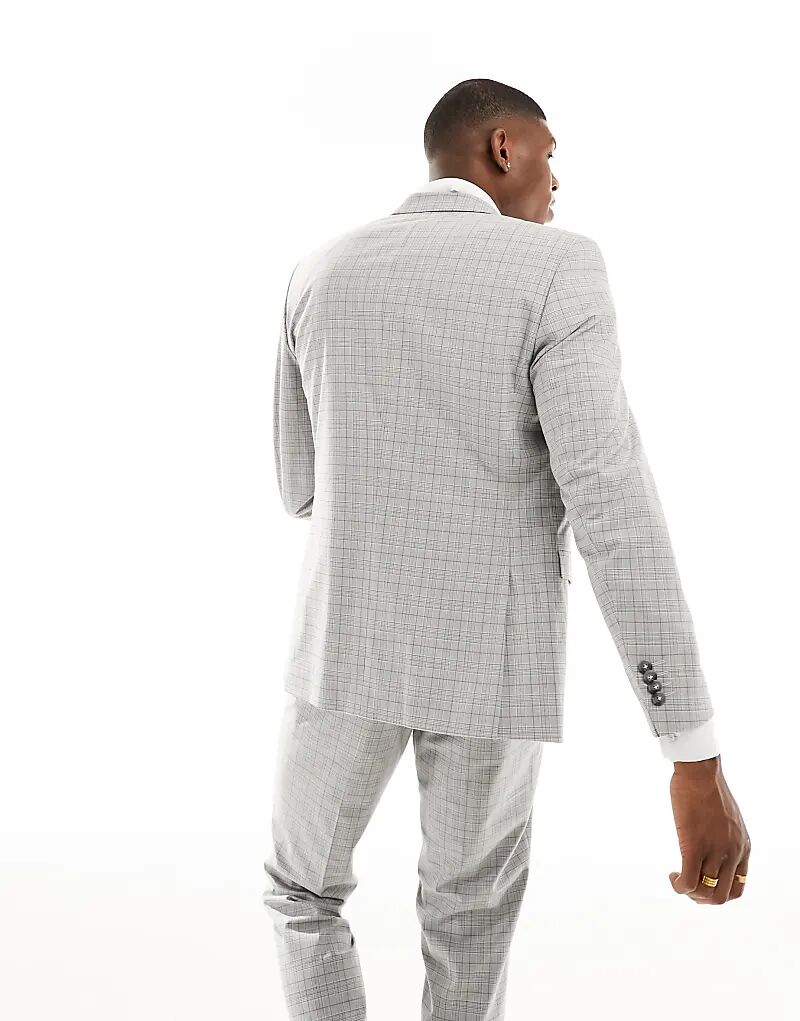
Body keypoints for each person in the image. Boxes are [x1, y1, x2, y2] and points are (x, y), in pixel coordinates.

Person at [263, 78, 751, 1020]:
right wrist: (691, 750)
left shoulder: (318, 270)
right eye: (549, 154)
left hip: (343, 650)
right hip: (494, 661)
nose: (557, 181)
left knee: (302, 891)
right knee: (469, 919)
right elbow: (611, 505)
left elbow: (300, 486)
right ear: (500, 148)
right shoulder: (558, 269)